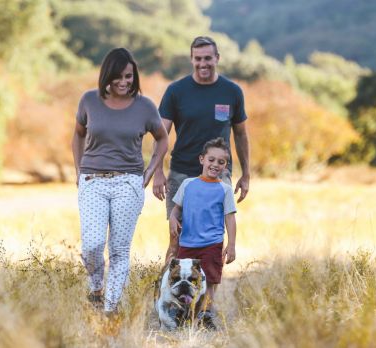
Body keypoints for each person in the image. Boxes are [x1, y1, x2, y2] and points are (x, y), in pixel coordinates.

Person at [71, 47, 168, 315]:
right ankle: (96, 287)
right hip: (93, 181)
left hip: (129, 183)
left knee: (118, 250)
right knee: (91, 245)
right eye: (118, 77)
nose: (124, 82)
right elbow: (78, 135)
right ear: (107, 77)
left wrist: (149, 173)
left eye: (129, 76)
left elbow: (162, 139)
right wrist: (79, 171)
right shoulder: (89, 100)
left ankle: (110, 308)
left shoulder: (144, 106)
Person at [153, 36, 250, 263]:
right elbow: (161, 134)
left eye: (208, 58)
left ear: (217, 58)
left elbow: (241, 134)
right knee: (177, 239)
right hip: (181, 173)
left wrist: (246, 174)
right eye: (198, 59)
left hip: (219, 175)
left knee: (215, 240)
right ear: (191, 59)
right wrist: (158, 172)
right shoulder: (176, 91)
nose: (203, 63)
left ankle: (208, 297)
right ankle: (170, 294)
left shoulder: (232, 91)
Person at [168, 137, 237, 330]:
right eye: (211, 160)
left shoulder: (225, 190)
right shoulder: (188, 184)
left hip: (212, 244)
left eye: (221, 162)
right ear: (202, 160)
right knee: (183, 279)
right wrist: (173, 219)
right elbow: (176, 210)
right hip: (187, 243)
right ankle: (183, 312)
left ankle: (206, 314)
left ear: (225, 166)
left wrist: (231, 245)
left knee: (210, 281)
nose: (215, 164)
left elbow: (230, 218)